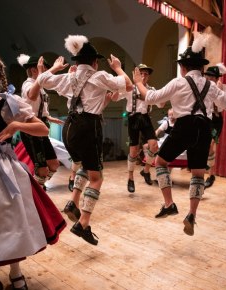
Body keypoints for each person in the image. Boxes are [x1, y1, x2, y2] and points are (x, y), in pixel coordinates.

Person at [0, 47, 66, 290]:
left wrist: (17, 125)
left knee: (9, 221)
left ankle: (15, 272)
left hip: (2, 171)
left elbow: (42, 128)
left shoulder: (8, 103)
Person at [37, 35, 133, 245]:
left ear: (76, 62)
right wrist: (117, 67)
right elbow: (128, 85)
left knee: (83, 166)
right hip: (89, 128)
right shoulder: (99, 76)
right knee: (97, 178)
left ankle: (73, 202)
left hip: (68, 128)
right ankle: (83, 223)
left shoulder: (69, 77)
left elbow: (42, 80)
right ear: (94, 61)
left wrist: (54, 69)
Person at [133, 44, 226, 235]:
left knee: (160, 162)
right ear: (201, 68)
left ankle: (169, 203)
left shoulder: (179, 82)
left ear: (183, 67)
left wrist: (138, 82)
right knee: (197, 174)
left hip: (184, 125)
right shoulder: (210, 85)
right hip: (204, 128)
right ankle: (192, 214)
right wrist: (219, 91)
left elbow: (152, 98)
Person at [17, 54, 64, 190]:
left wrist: (48, 117)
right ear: (34, 70)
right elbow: (31, 96)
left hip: (40, 126)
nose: (46, 73)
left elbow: (38, 106)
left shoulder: (40, 87)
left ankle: (37, 186)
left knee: (54, 164)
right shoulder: (28, 84)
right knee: (42, 170)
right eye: (43, 70)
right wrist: (54, 69)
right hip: (30, 128)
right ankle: (37, 190)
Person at [117, 64, 162, 193]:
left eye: (146, 74)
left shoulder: (151, 90)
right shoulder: (130, 88)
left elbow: (160, 104)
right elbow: (115, 98)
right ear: (135, 75)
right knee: (134, 150)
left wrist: (164, 99)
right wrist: (116, 90)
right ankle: (130, 178)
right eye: (141, 73)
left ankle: (146, 170)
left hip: (146, 118)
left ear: (148, 76)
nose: (143, 76)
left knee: (154, 146)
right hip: (133, 118)